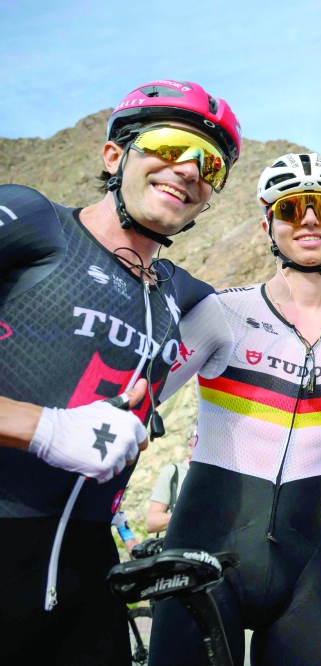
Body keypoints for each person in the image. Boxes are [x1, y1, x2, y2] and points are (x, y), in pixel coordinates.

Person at [147, 152, 321, 666]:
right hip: (204, 549)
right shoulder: (224, 312)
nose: (311, 219)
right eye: (293, 208)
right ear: (267, 226)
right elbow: (132, 397)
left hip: (304, 567)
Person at [0, 79, 240, 665]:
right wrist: (41, 427)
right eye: (167, 145)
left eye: (209, 164)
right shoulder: (32, 220)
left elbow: (276, 307)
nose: (188, 169)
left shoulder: (182, 294)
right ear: (114, 156)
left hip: (84, 580)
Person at [146, 428, 197, 535]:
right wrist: (190, 514)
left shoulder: (224, 474)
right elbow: (151, 523)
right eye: (197, 434)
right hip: (179, 544)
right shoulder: (173, 472)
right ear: (190, 443)